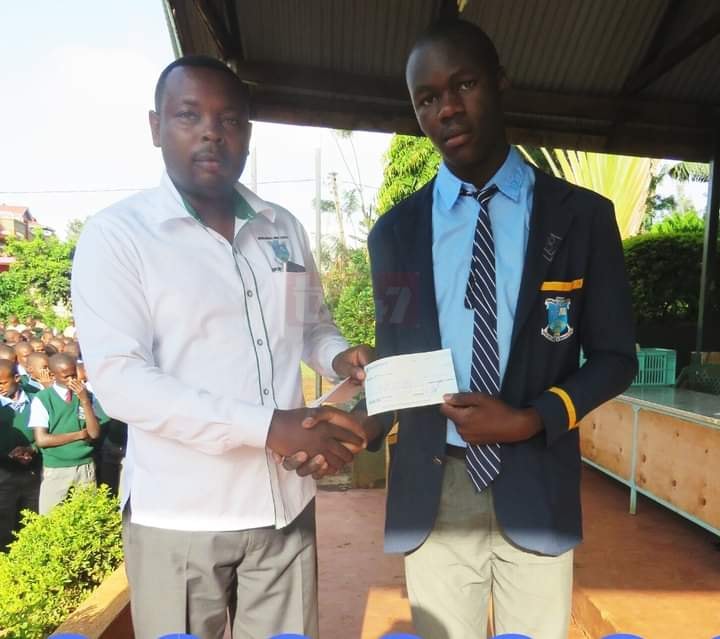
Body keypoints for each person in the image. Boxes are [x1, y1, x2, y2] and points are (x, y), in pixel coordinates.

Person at [296, 19, 637, 639]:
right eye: (426, 98)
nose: (446, 108)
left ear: (501, 84)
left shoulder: (583, 218)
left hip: (537, 482)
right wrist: (370, 420)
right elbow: (403, 360)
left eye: (464, 84)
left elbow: (616, 357)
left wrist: (533, 417)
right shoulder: (395, 234)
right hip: (436, 487)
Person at [71, 55, 373, 639]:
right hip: (182, 517)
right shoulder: (119, 236)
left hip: (286, 506)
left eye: (229, 119)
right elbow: (122, 381)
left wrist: (339, 355)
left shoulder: (280, 225)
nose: (211, 131)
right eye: (189, 115)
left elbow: (310, 325)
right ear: (156, 127)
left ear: (248, 135)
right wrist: (268, 426)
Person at [29, 353, 106, 514]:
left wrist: (84, 401)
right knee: (51, 517)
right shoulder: (43, 399)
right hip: (57, 468)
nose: (72, 380)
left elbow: (94, 433)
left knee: (87, 516)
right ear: (53, 375)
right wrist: (78, 435)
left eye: (74, 374)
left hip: (85, 465)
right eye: (66, 377)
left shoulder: (86, 396)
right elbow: (42, 440)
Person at [0, 360, 41, 550]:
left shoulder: (36, 399)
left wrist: (32, 448)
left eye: (2, 383)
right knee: (4, 517)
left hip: (33, 472)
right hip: (4, 474)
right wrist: (7, 455)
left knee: (31, 515)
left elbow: (50, 430)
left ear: (17, 378)